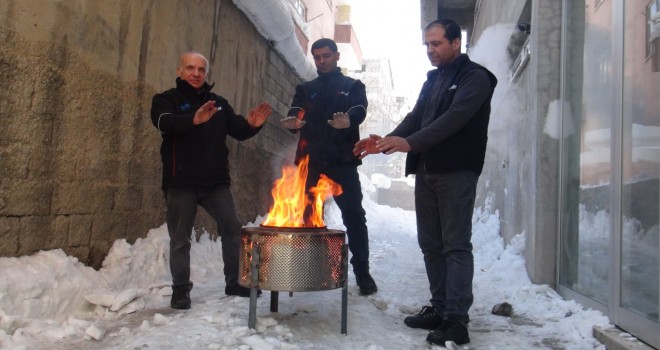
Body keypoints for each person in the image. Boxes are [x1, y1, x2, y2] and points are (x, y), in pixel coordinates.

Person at [353, 19, 497, 345]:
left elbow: (454, 120)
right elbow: (415, 118)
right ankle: (440, 307)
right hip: (427, 171)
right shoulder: (432, 81)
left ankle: (457, 320)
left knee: (455, 245)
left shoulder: (475, 78)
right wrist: (388, 139)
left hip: (457, 171)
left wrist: (411, 143)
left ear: (455, 43)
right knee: (430, 244)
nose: (430, 50)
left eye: (437, 44)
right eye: (427, 45)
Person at [150, 51, 272, 309]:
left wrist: (252, 125)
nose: (195, 73)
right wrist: (192, 120)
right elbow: (163, 122)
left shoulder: (219, 103)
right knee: (180, 237)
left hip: (215, 181)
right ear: (179, 71)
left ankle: (235, 281)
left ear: (206, 73)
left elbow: (238, 130)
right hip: (181, 180)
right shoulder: (165, 100)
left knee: (232, 227)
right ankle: (181, 289)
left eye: (201, 69)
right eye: (190, 68)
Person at [280, 38, 377, 296]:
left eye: (326, 56)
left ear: (336, 56)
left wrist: (350, 120)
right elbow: (296, 109)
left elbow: (359, 108)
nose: (322, 61)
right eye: (317, 57)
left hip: (342, 162)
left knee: (354, 217)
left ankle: (363, 273)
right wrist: (294, 120)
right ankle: (309, 267)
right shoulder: (306, 87)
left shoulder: (352, 86)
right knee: (308, 216)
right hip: (309, 163)